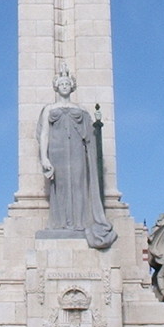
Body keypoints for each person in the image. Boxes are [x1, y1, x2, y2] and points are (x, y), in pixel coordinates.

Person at [38, 67, 115, 249]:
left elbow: (90, 136)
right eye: (61, 84)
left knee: (79, 184)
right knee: (60, 187)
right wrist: (44, 158)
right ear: (56, 87)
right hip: (56, 152)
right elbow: (43, 135)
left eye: (67, 84)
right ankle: (59, 223)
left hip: (77, 152)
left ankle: (80, 223)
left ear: (72, 87)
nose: (64, 86)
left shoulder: (80, 109)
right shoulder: (49, 108)